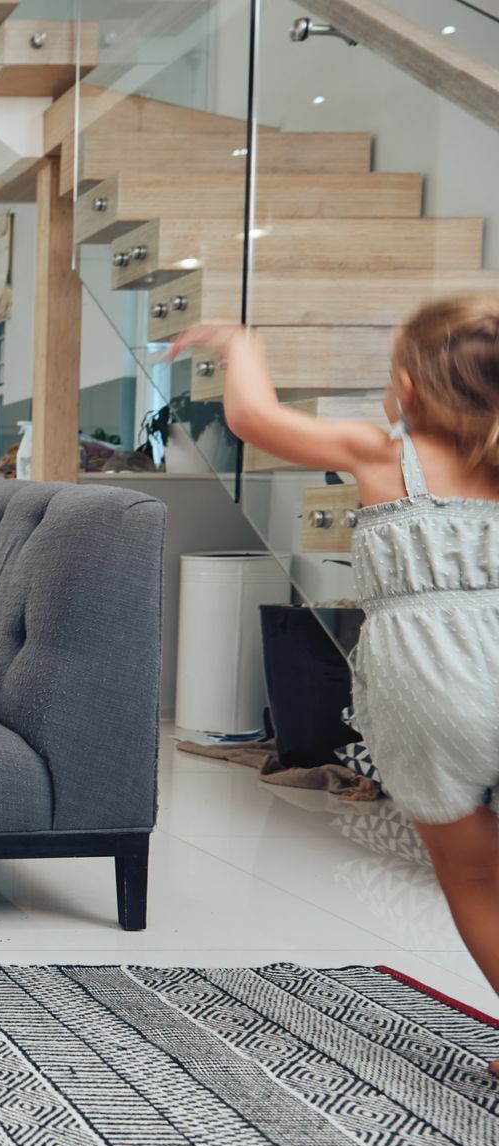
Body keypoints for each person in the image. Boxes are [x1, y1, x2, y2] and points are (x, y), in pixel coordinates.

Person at [173, 301, 499, 1068]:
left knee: (475, 874)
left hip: (431, 683)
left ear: (410, 389)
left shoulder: (386, 450)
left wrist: (240, 340)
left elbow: (252, 418)